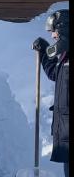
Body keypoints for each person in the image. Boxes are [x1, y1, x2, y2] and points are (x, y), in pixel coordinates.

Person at [32, 9, 69, 177]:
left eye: (54, 31)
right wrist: (44, 52)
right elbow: (55, 73)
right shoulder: (65, 57)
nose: (53, 36)